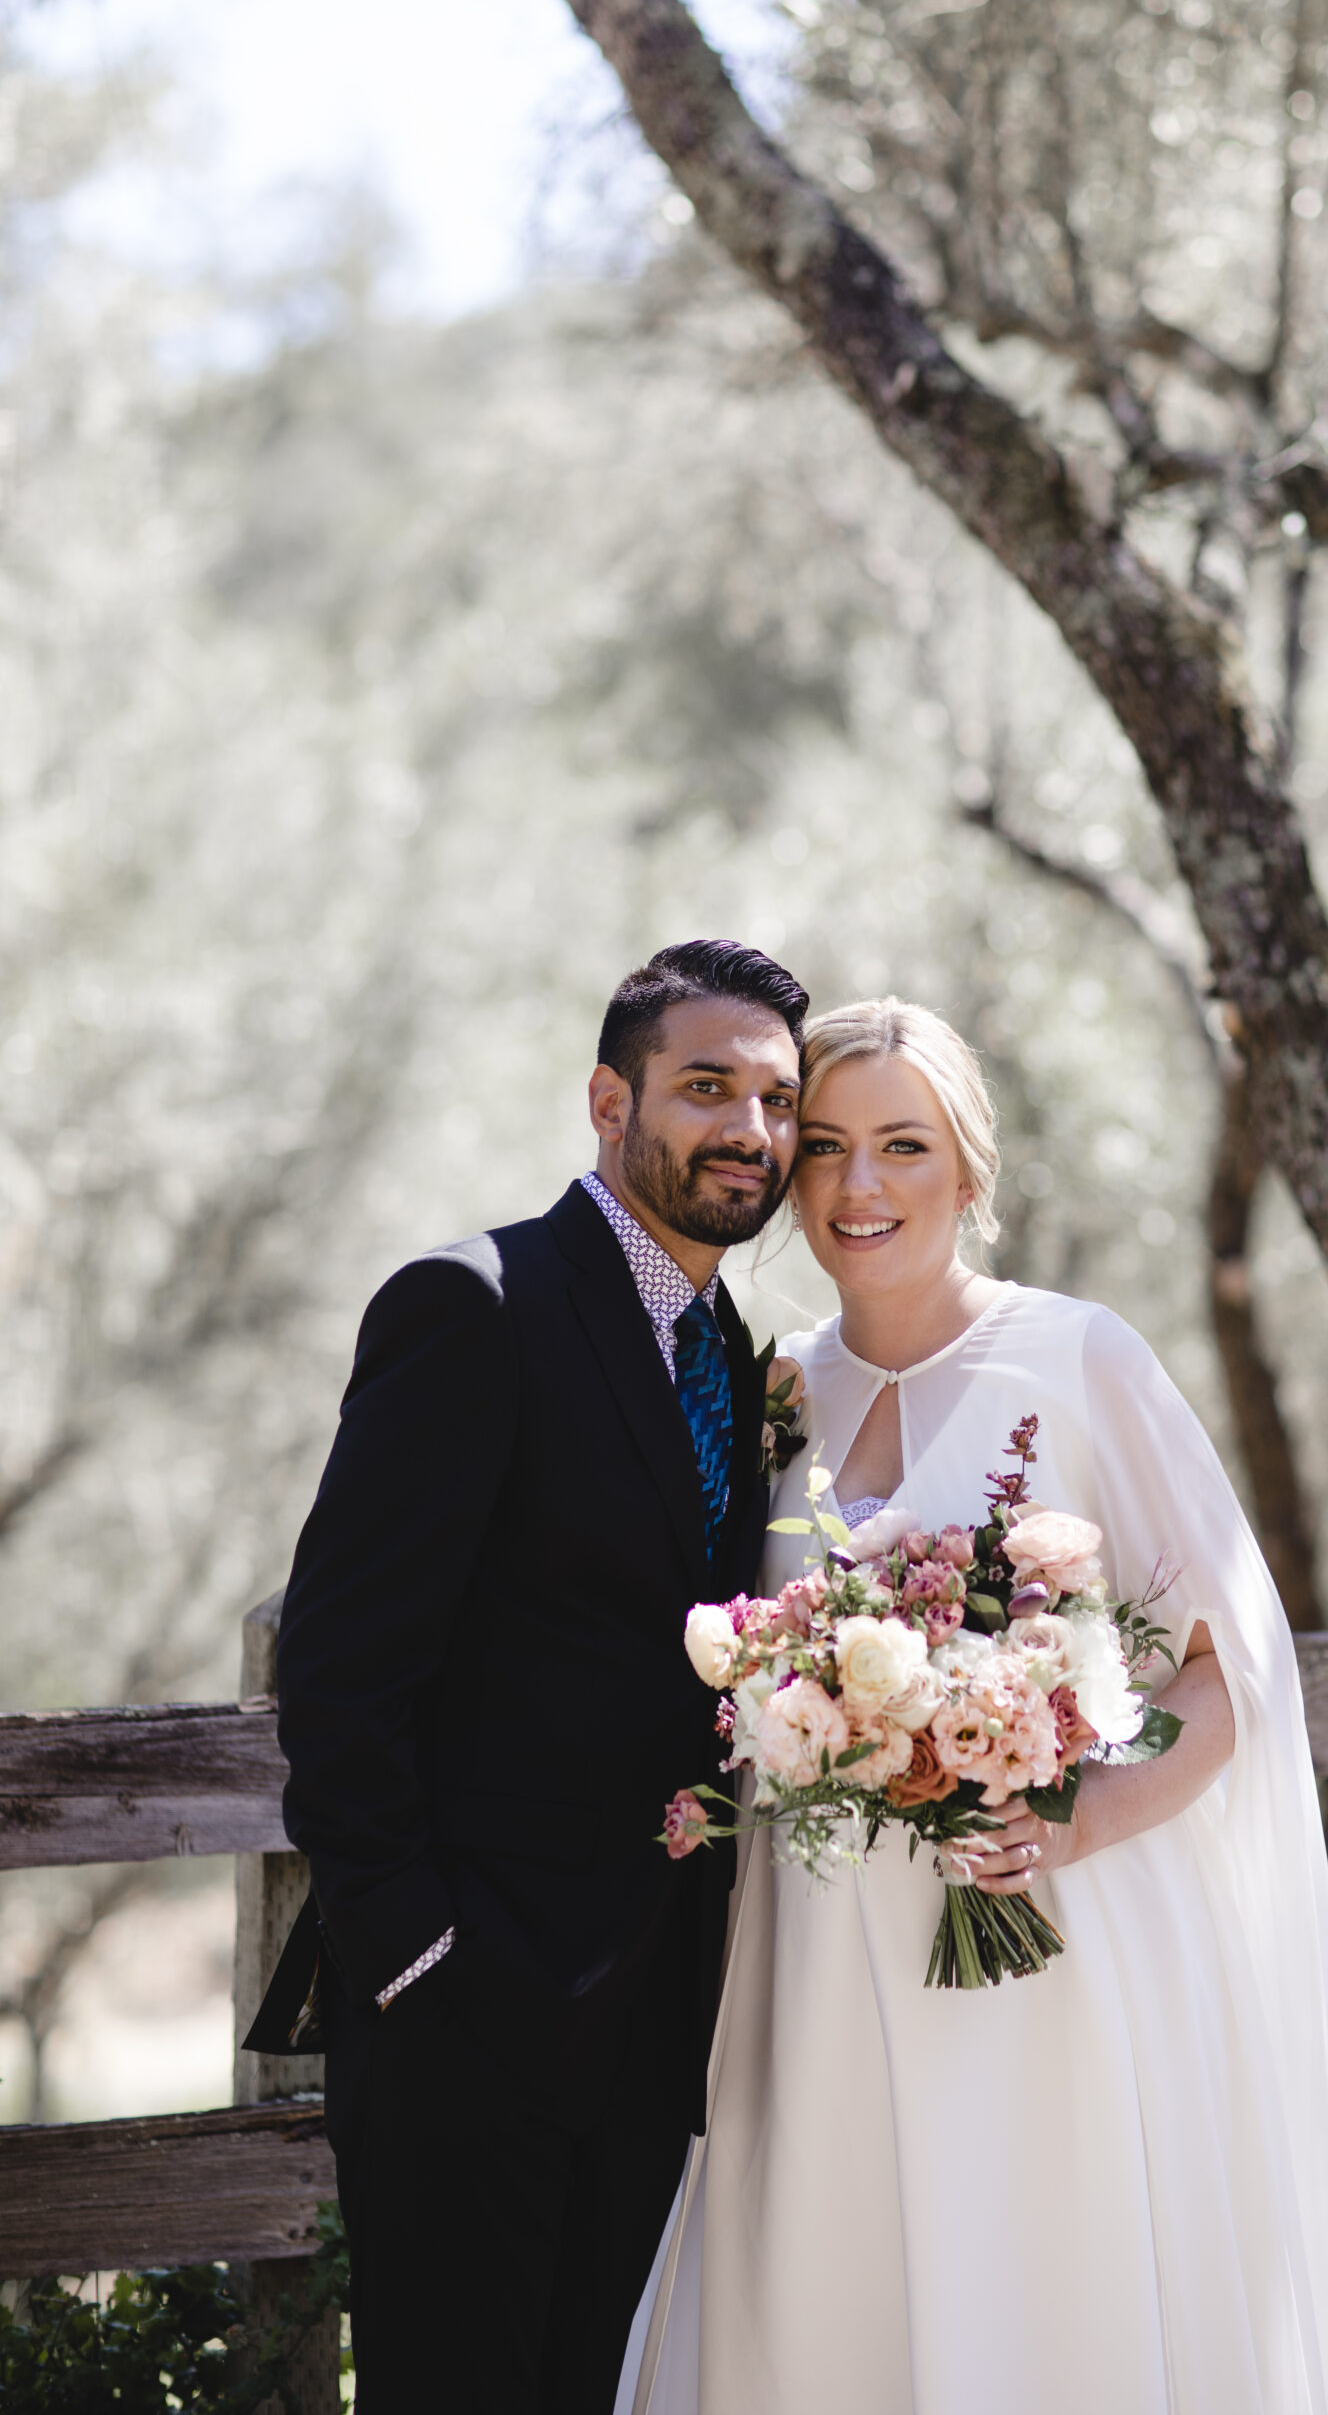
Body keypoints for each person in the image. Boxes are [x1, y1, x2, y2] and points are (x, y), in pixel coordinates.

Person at [626, 996, 1328, 2415]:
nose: (862, 1187)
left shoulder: (1082, 1362)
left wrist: (1081, 1816)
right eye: (832, 1149)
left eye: (905, 1146)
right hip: (812, 1956)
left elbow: (1232, 1672)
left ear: (968, 1172)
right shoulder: (772, 1383)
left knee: (1023, 2297)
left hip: (1029, 1943)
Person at [243, 938, 809, 2415]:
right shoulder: (473, 1305)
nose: (747, 1131)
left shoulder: (732, 1357)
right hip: (465, 2019)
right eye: (705, 1088)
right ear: (608, 1102)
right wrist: (419, 1962)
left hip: (657, 2018)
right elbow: (342, 1667)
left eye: (773, 1099)